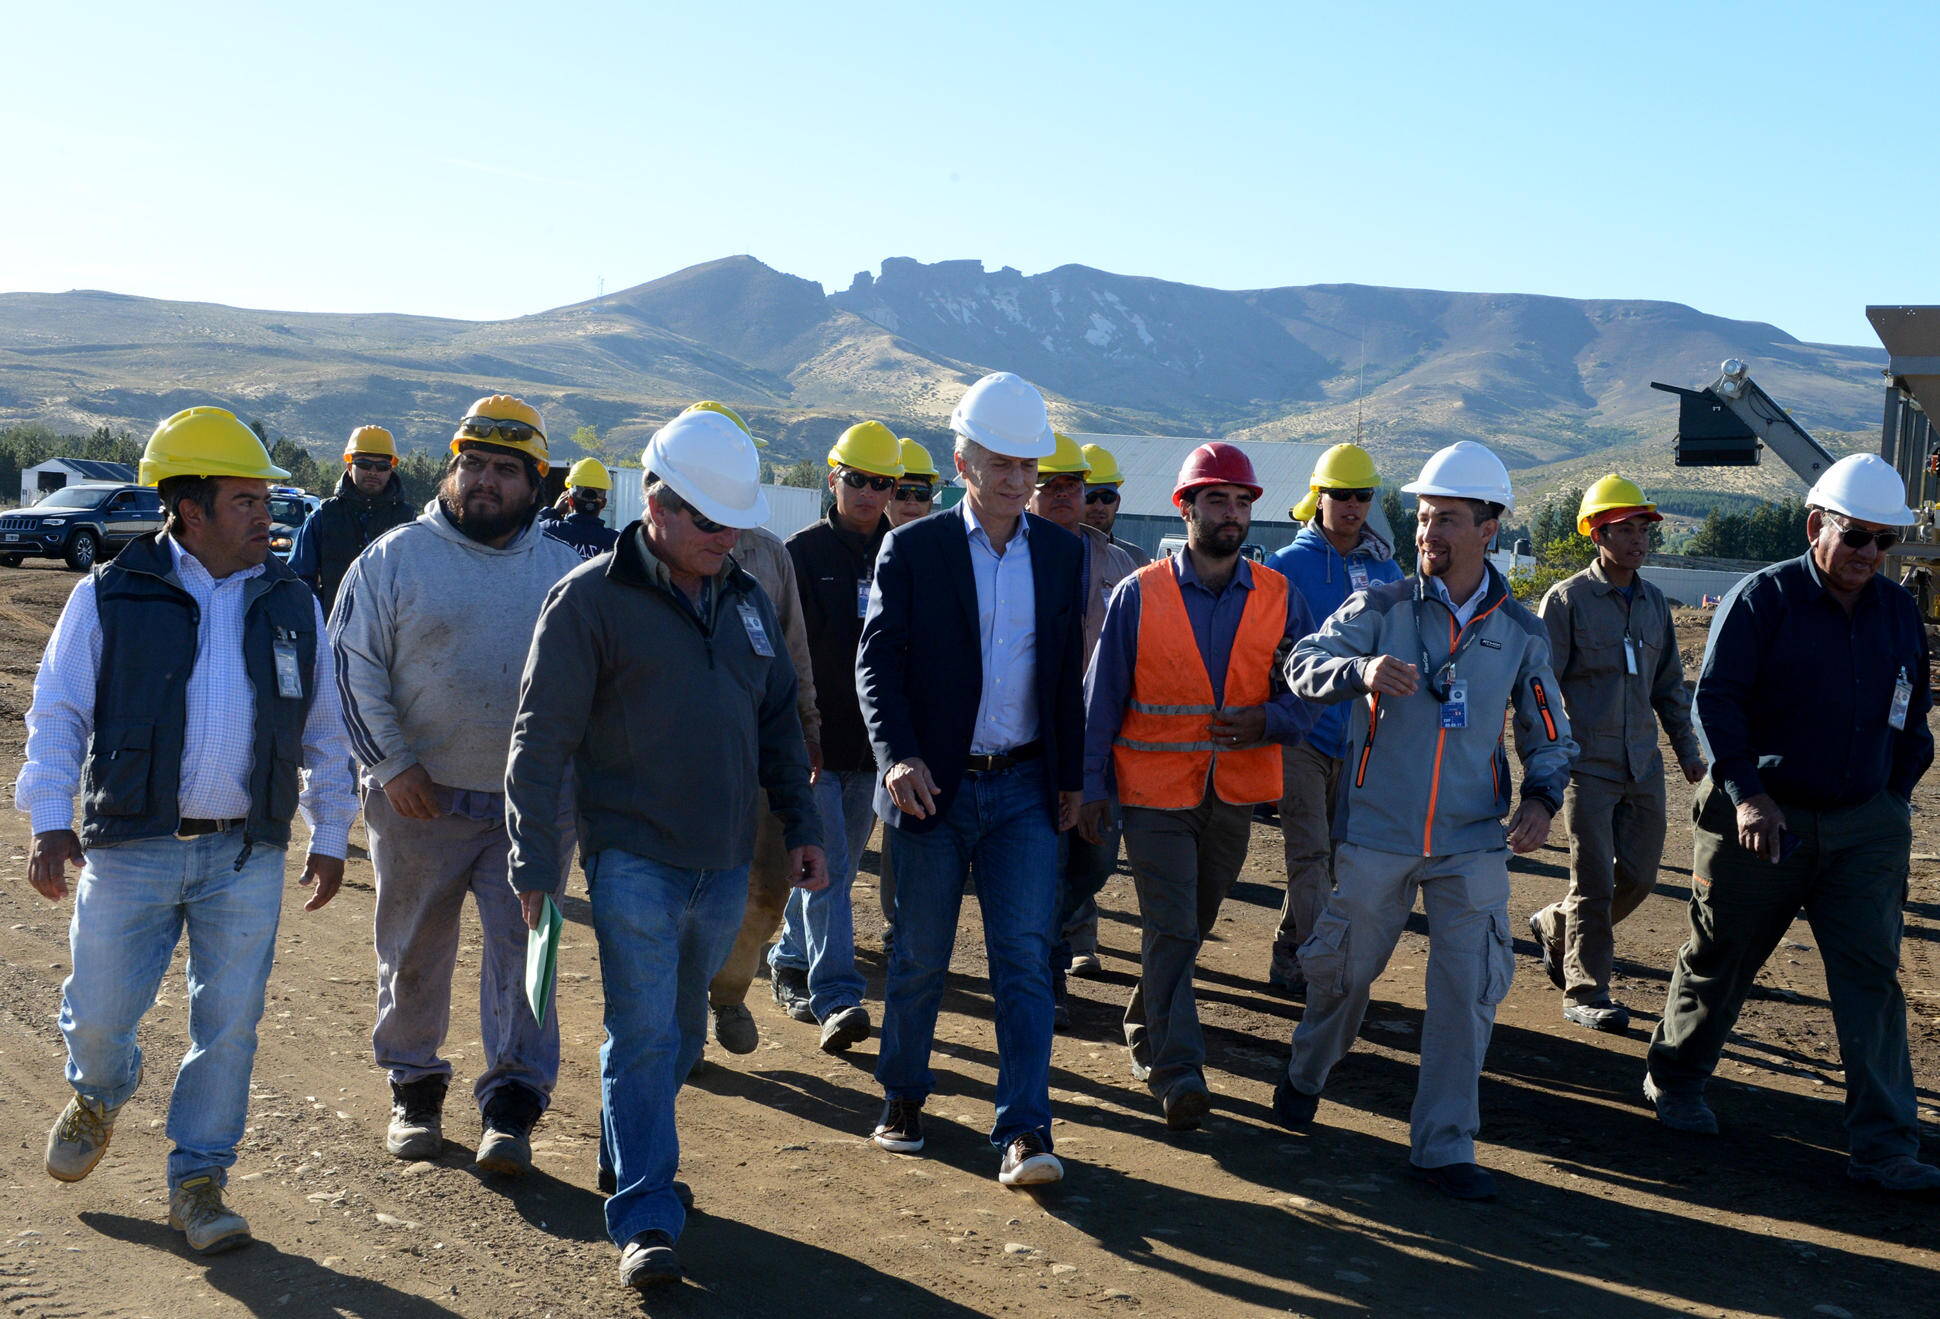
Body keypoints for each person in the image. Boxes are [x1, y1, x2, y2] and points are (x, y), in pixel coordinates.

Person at [15, 406, 356, 1253]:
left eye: (266, 501)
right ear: (189, 510)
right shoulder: (109, 595)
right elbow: (57, 711)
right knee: (99, 1012)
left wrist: (332, 828)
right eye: (245, 501)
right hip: (130, 847)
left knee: (229, 1024)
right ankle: (99, 1089)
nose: (266, 519)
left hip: (244, 852)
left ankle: (198, 1179)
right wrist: (51, 819)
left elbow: (324, 728)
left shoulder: (290, 604)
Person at [505, 406, 826, 1289]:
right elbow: (539, 741)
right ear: (658, 503)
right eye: (713, 524)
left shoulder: (748, 602)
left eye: (737, 524)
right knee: (644, 1031)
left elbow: (777, 727)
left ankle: (623, 1153)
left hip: (723, 862)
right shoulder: (588, 602)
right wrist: (533, 864)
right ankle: (646, 1212)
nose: (730, 539)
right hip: (633, 859)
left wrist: (801, 827)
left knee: (681, 1029)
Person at [1279, 440, 1576, 1202]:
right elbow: (1303, 662)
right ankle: (1308, 1069)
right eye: (1421, 516)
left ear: (1490, 525)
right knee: (1343, 974)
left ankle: (1443, 1146)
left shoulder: (1522, 630)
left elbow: (1549, 729)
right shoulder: (1380, 604)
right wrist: (1359, 671)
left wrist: (1541, 799)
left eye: (1445, 518)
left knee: (1466, 988)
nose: (1426, 532)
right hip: (1376, 831)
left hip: (1471, 840)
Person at [1645, 454, 1940, 1194]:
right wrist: (1747, 796)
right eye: (1858, 535)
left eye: (1885, 540)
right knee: (1723, 954)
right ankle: (1675, 1078)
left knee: (1871, 979)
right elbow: (1717, 704)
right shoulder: (1762, 599)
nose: (1872, 553)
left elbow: (1914, 715)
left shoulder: (1899, 611)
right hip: (1760, 818)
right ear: (1817, 526)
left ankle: (1884, 1144)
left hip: (1863, 825)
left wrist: (1892, 801)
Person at [331, 394, 581, 1176]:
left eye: (505, 469)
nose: (483, 481)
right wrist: (392, 763)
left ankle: (512, 1103)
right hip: (419, 798)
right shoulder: (395, 558)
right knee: (413, 948)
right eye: (471, 463)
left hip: (529, 808)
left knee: (526, 953)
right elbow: (351, 663)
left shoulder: (566, 572)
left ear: (537, 482)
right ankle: (414, 1089)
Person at [856, 370, 1085, 1186]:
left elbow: (1065, 674)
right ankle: (904, 1095)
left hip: (1025, 786)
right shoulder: (911, 549)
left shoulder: (1062, 554)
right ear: (963, 462)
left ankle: (1025, 1128)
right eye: (1002, 462)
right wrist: (898, 757)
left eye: (1030, 465)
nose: (1019, 479)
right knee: (920, 952)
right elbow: (876, 665)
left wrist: (1072, 772)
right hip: (934, 787)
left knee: (1024, 956)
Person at [1080, 442, 1315, 1128]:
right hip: (1153, 793)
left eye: (1242, 501)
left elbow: (1313, 691)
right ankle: (1179, 1068)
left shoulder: (1279, 596)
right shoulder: (1139, 593)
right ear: (1186, 506)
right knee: (1174, 925)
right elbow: (1102, 701)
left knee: (1187, 927)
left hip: (1234, 793)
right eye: (1217, 499)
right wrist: (1091, 787)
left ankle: (1142, 1023)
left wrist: (1270, 717)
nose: (1232, 513)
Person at [1530, 476, 1704, 1032]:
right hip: (1586, 765)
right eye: (1623, 530)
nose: (1637, 540)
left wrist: (1689, 753)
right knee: (1595, 881)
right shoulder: (1567, 600)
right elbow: (1541, 689)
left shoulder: (1654, 602)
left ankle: (1557, 924)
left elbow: (1670, 687)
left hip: (1643, 764)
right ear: (1596, 534)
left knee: (1640, 876)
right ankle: (1586, 990)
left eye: (1642, 530)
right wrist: (1547, 760)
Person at [693, 402, 825, 1055]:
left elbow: (793, 651)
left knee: (768, 886)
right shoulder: (653, 542)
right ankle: (683, 1006)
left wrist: (808, 725)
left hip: (763, 750)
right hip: (680, 756)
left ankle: (729, 991)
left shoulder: (770, 557)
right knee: (682, 885)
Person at [775, 421, 902, 1051]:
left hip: (873, 747)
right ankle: (838, 996)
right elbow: (779, 653)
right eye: (859, 480)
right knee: (830, 871)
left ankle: (788, 957)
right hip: (815, 744)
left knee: (837, 868)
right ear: (834, 480)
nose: (870, 494)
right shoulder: (799, 555)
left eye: (883, 484)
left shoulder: (903, 554)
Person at [1263, 443, 1404, 993]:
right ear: (1317, 497)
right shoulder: (1285, 566)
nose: (1351, 505)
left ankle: (1288, 948)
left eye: (1362, 495)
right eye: (1340, 494)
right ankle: (1323, 965)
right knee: (1310, 851)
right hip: (1300, 731)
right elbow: (1266, 650)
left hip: (1362, 737)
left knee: (1336, 859)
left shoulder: (1385, 568)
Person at [1028, 432, 1136, 1023]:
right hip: (1032, 742)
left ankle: (1038, 938)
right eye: (1053, 486)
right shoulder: (1013, 552)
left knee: (1093, 861)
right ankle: (1042, 973)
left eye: (1077, 486)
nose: (1067, 496)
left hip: (1101, 741)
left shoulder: (1119, 563)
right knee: (1041, 858)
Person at [288, 424, 414, 613]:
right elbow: (299, 578)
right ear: (349, 466)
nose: (373, 471)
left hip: (392, 634)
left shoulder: (409, 520)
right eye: (363, 464)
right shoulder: (324, 515)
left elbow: (420, 583)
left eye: (382, 466)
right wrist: (318, 621)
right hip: (331, 631)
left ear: (391, 469)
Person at [1081, 442, 1149, 566]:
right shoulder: (1058, 555)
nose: (1099, 506)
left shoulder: (1136, 559)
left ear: (1117, 502)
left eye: (1107, 497)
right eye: (1090, 497)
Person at [544, 457, 621, 560]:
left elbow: (528, 529)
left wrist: (554, 512)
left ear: (569, 501)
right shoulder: (618, 542)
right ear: (603, 504)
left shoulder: (549, 530)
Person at [888, 437, 944, 529]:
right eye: (902, 492)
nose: (912, 501)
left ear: (930, 502)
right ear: (884, 496)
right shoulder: (860, 541)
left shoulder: (945, 542)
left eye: (921, 494)